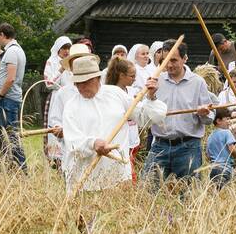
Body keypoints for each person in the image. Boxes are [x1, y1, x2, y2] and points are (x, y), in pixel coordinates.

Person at [61, 54, 165, 193]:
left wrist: (151, 97)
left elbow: (143, 117)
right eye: (77, 83)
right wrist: (93, 144)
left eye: (85, 82)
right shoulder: (71, 106)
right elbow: (72, 140)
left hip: (118, 176)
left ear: (97, 78)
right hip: (85, 180)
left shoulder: (115, 94)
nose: (80, 86)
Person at [142, 40, 215, 183]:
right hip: (160, 145)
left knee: (189, 194)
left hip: (188, 147)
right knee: (147, 190)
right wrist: (150, 96)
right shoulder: (156, 81)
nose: (169, 65)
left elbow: (210, 118)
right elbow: (147, 115)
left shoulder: (197, 82)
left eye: (174, 60)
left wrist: (204, 113)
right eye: (166, 60)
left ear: (185, 58)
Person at [46, 43, 92, 169]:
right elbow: (55, 119)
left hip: (94, 150)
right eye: (75, 63)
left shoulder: (100, 90)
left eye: (83, 62)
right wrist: (58, 129)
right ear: (71, 66)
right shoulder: (64, 92)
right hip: (71, 150)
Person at [0, 23, 27, 170]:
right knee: (9, 136)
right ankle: (13, 169)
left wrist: (0, 94)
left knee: (12, 137)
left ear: (2, 35)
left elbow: (11, 77)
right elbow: (2, 71)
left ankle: (22, 170)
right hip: (9, 99)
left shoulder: (12, 51)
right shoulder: (12, 51)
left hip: (8, 100)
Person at [104, 55, 142, 177]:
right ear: (121, 75)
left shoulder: (130, 91)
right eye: (132, 76)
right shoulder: (110, 93)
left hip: (132, 139)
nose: (134, 79)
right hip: (117, 142)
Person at [43, 36, 73, 162]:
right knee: (57, 125)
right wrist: (61, 69)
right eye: (63, 48)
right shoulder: (51, 62)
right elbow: (48, 83)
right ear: (58, 49)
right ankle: (57, 160)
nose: (66, 51)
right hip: (57, 98)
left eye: (68, 48)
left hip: (70, 99)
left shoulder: (72, 62)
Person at [206, 107, 236, 188]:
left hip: (214, 170)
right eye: (227, 119)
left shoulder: (210, 136)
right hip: (225, 169)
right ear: (218, 121)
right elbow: (232, 149)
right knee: (225, 192)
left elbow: (208, 156)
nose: (229, 121)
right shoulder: (227, 132)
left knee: (216, 192)